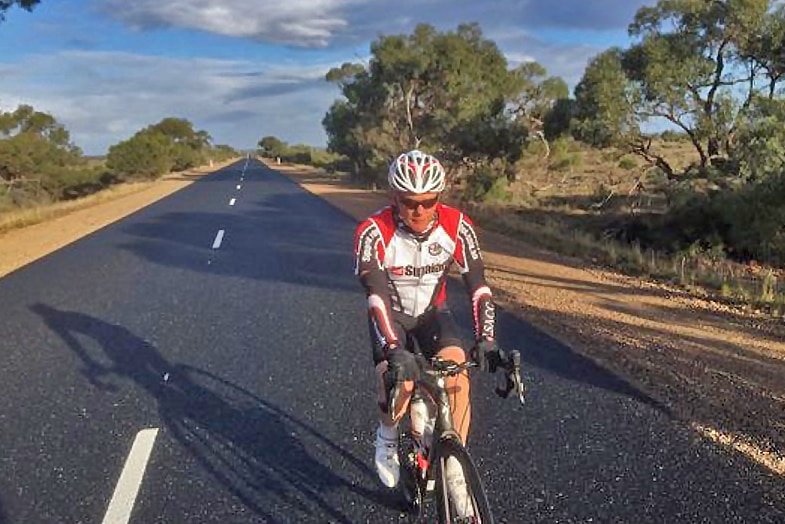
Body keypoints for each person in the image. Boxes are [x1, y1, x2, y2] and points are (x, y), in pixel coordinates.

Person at [353, 149, 500, 515]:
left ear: (439, 197)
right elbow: (376, 298)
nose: (418, 210)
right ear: (394, 198)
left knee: (459, 377)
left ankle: (454, 474)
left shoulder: (458, 227)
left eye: (428, 201)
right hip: (393, 317)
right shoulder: (373, 232)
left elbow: (479, 287)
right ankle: (387, 436)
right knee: (398, 382)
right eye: (408, 202)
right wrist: (392, 348)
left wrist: (487, 337)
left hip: (434, 313)